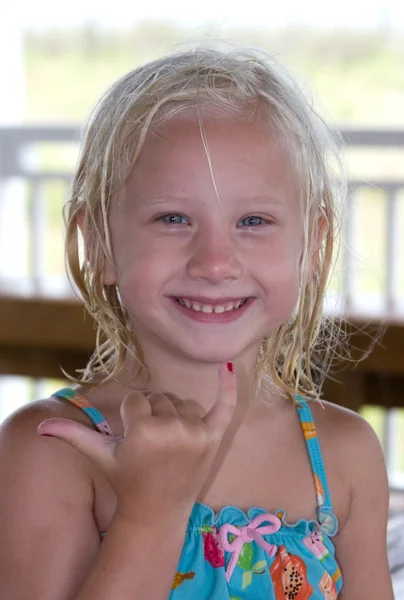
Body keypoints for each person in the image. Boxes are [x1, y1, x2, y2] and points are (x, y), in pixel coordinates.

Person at [0, 45, 393, 599]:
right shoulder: (54, 448)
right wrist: (150, 513)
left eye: (253, 220)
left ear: (313, 246)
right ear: (100, 245)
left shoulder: (344, 454)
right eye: (173, 218)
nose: (214, 262)